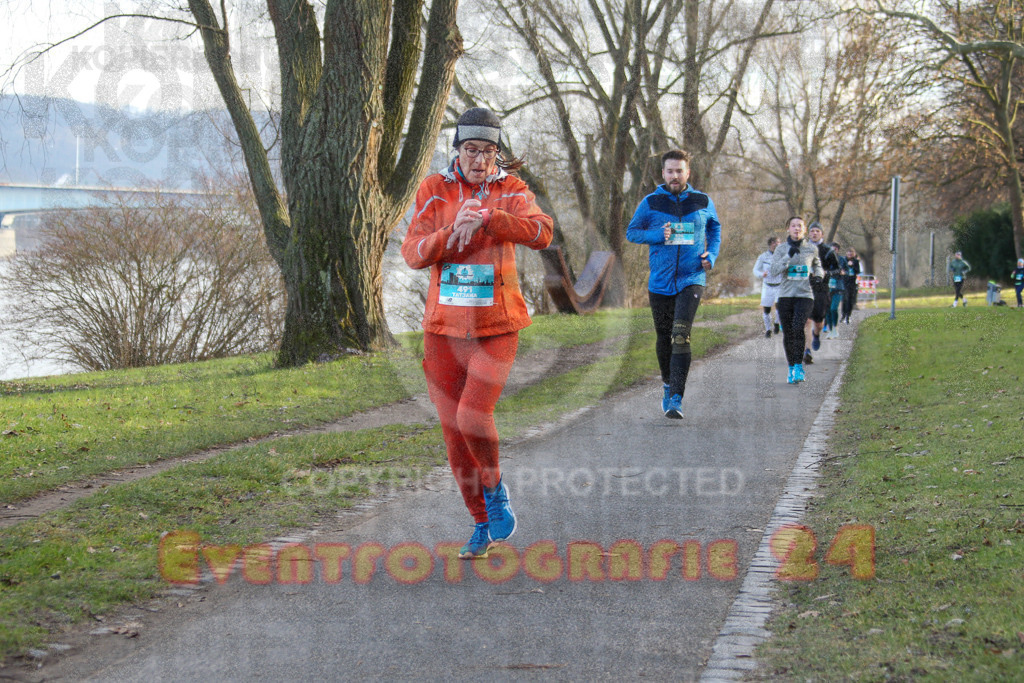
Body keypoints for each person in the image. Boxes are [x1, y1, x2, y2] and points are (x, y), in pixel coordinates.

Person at [401, 107, 553, 559]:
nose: (481, 160)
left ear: (497, 153)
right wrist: (452, 231)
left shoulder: (511, 190)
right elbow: (412, 252)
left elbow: (542, 233)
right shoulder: (434, 189)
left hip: (496, 326)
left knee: (472, 416)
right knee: (453, 430)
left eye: (489, 151)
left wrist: (489, 220)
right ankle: (482, 522)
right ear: (457, 150)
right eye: (472, 150)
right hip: (443, 330)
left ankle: (496, 491)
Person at [627, 149, 722, 419]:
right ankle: (668, 385)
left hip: (692, 278)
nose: (675, 176)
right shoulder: (651, 202)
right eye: (670, 171)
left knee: (681, 334)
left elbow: (715, 228)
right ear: (663, 173)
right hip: (660, 281)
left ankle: (677, 398)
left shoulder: (702, 201)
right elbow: (632, 232)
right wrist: (658, 235)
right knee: (664, 337)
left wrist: (711, 256)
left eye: (679, 171)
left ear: (688, 173)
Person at [770, 216, 823, 384]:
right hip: (786, 296)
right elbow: (774, 270)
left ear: (804, 230)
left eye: (800, 226)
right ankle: (791, 367)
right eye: (793, 226)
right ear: (788, 229)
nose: (797, 229)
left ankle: (799, 367)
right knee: (789, 333)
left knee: (798, 327)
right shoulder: (780, 249)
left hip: (805, 295)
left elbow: (818, 266)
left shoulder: (811, 249)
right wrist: (787, 257)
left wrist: (819, 276)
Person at [803, 223, 839, 363]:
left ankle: (816, 334)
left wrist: (826, 273)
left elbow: (837, 269)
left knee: (818, 322)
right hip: (805, 287)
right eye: (812, 231)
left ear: (822, 234)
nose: (814, 233)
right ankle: (807, 350)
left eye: (817, 231)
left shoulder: (828, 251)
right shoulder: (803, 248)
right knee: (807, 320)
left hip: (822, 289)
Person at [753, 236, 783, 338]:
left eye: (778, 243)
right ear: (770, 244)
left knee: (780, 306)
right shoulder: (763, 257)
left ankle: (777, 323)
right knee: (767, 309)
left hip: (779, 285)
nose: (776, 245)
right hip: (767, 286)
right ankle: (768, 329)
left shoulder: (783, 256)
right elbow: (755, 270)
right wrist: (761, 274)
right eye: (774, 243)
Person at [826, 243, 846, 338]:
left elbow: (841, 270)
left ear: (837, 250)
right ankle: (831, 330)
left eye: (834, 250)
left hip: (838, 287)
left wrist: (829, 272)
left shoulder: (841, 260)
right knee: (827, 310)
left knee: (833, 308)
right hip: (827, 287)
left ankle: (835, 328)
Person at [841, 247, 860, 324]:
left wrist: (852, 266)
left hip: (852, 283)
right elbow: (841, 269)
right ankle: (843, 314)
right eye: (848, 253)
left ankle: (848, 315)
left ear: (853, 254)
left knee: (850, 300)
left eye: (851, 253)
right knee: (845, 299)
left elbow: (858, 271)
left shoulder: (856, 261)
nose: (849, 254)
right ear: (846, 253)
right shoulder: (843, 260)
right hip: (844, 282)